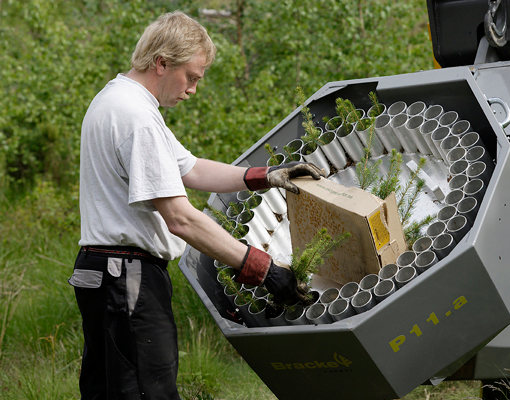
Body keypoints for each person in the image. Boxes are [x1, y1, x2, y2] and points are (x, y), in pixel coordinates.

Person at [69, 11, 322, 399]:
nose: (192, 90)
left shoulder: (117, 100)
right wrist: (262, 268)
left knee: (109, 390)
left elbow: (190, 168)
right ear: (162, 63)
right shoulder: (137, 118)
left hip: (103, 272)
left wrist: (267, 175)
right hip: (127, 275)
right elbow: (181, 219)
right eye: (191, 77)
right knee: (147, 391)